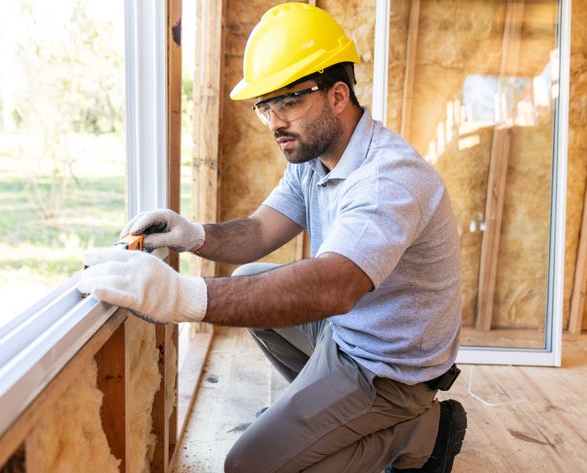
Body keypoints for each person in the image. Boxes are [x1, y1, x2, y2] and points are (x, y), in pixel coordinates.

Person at [79, 3, 466, 472]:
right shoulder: (312, 157)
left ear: (338, 95)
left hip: (389, 368)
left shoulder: (388, 178)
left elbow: (334, 286)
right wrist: (191, 234)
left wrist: (182, 296)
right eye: (266, 107)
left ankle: (419, 431)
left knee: (248, 466)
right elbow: (261, 230)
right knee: (252, 278)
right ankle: (329, 422)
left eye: (289, 102)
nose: (275, 122)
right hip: (349, 335)